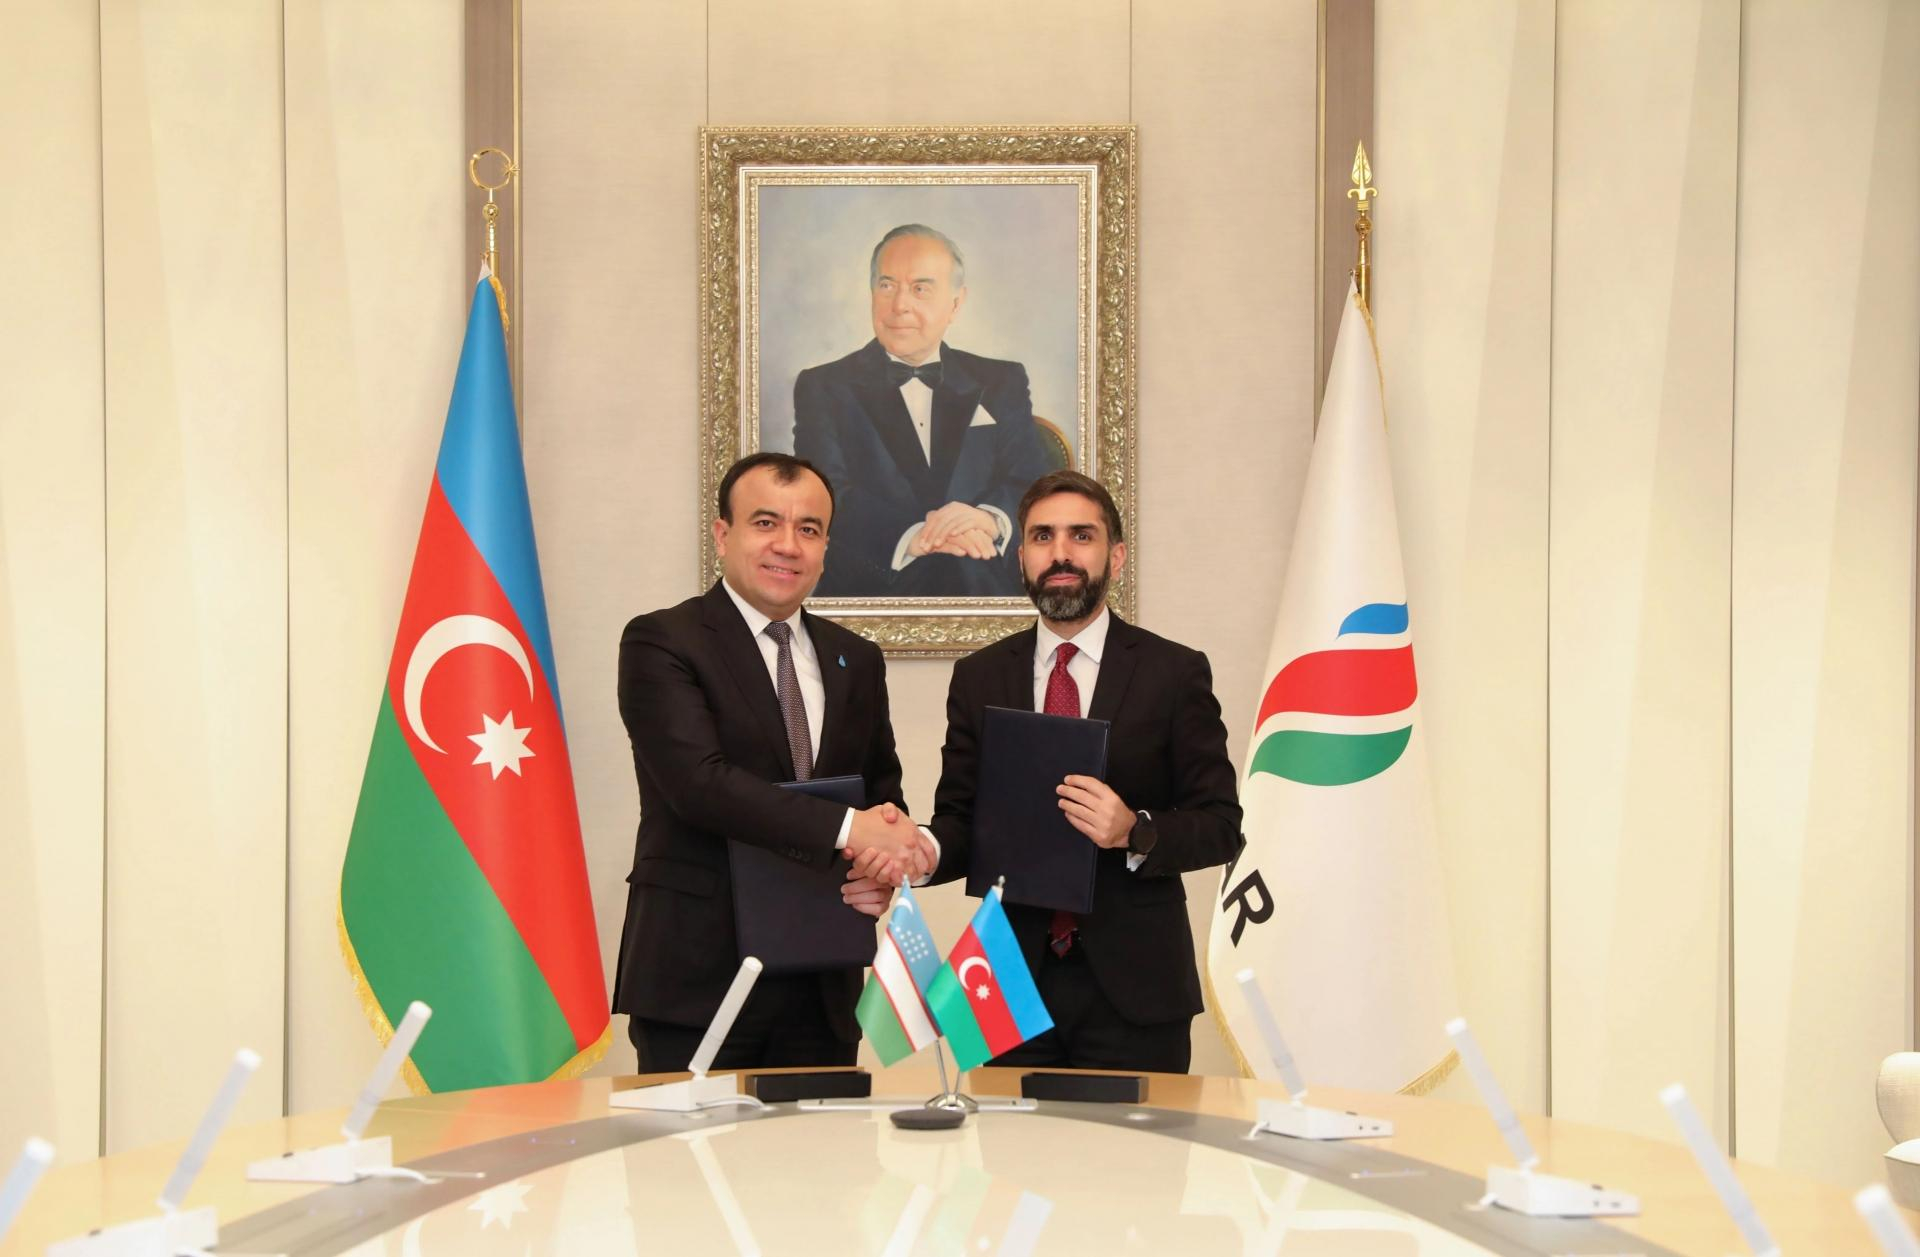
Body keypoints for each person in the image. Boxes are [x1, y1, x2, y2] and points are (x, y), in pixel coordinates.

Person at [612, 452, 935, 1072]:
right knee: (686, 1139)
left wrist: (881, 865)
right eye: (766, 523)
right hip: (698, 978)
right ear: (722, 534)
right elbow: (698, 785)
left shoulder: (855, 658)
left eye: (808, 529)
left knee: (823, 1138)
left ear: (825, 548)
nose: (788, 545)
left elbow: (880, 794)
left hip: (823, 982)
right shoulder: (663, 641)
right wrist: (851, 829)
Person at [921, 470, 1244, 1072]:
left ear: (1115, 556)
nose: (1061, 553)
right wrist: (921, 851)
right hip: (1007, 985)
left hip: (1137, 988)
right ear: (1021, 557)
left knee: (1134, 1140)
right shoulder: (979, 677)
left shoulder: (1173, 673)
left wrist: (1134, 830)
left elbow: (1222, 826)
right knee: (1007, 1138)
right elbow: (961, 820)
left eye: (1081, 535)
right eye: (1042, 536)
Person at [792, 224, 1054, 597]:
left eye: (920, 289)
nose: (900, 305)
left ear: (956, 303)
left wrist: (989, 520)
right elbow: (824, 493)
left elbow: (1032, 482)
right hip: (875, 584)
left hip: (986, 582)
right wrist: (916, 537)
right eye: (887, 285)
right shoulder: (823, 387)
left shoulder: (1002, 380)